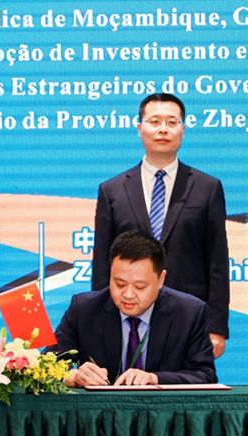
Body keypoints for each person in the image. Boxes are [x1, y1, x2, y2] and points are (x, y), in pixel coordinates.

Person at [92, 93, 230, 358]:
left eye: (172, 122)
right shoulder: (112, 191)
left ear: (183, 130)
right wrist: (100, 321)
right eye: (154, 121)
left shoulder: (207, 188)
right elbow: (102, 264)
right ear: (139, 128)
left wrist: (216, 327)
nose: (163, 129)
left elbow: (217, 263)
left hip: (188, 316)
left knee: (184, 382)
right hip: (128, 315)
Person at [49, 230, 217, 386]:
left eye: (140, 287)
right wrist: (72, 376)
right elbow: (45, 367)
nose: (128, 294)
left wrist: (154, 378)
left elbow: (205, 375)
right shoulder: (84, 310)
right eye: (120, 284)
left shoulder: (189, 314)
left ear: (161, 279)